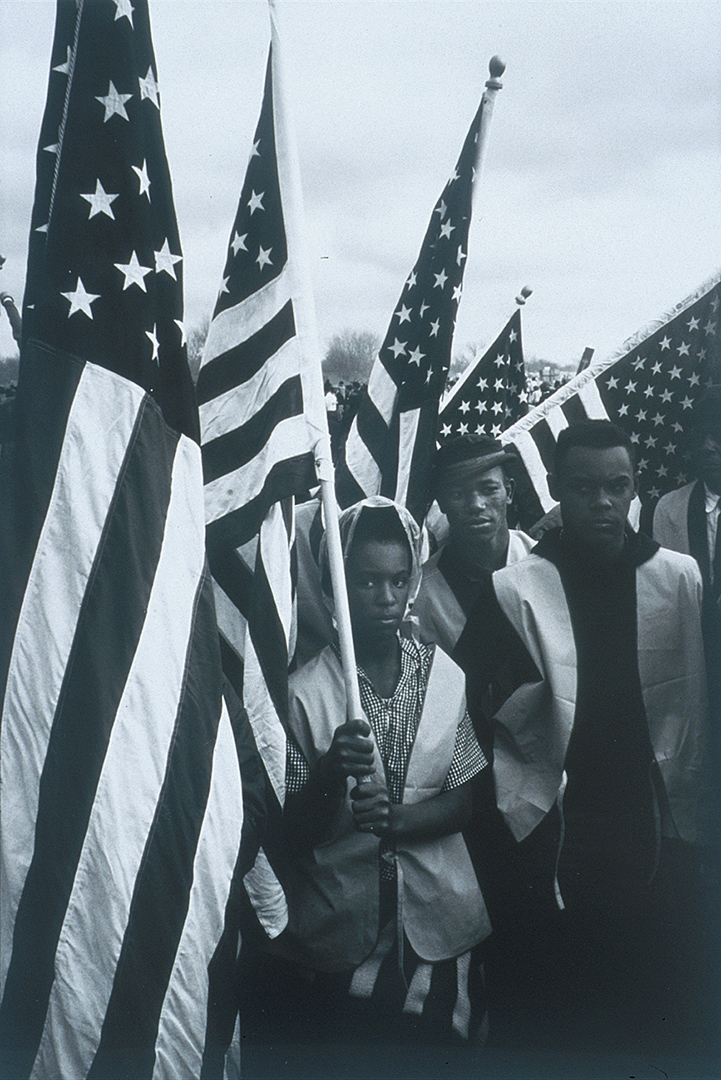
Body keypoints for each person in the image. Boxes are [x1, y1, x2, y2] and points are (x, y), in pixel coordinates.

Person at [455, 419, 717, 1056]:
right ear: (553, 489)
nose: (602, 502)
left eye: (616, 486)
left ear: (634, 489)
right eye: (583, 487)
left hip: (654, 833)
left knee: (653, 1020)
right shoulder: (514, 590)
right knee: (558, 1026)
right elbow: (461, 708)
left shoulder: (679, 579)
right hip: (550, 841)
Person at [275, 497, 492, 1049]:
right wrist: (329, 774)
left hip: (438, 937)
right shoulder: (303, 694)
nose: (387, 598)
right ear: (334, 589)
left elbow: (465, 801)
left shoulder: (443, 674)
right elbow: (292, 833)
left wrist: (396, 819)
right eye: (367, 582)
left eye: (399, 580)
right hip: (338, 942)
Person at [412, 435, 533, 658]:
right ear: (442, 503)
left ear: (509, 492)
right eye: (458, 494)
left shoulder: (541, 560)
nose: (476, 505)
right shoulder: (425, 596)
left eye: (488, 489)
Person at [653, 385, 721, 725]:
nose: (709, 447)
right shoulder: (671, 508)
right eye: (702, 437)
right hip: (693, 654)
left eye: (718, 435)